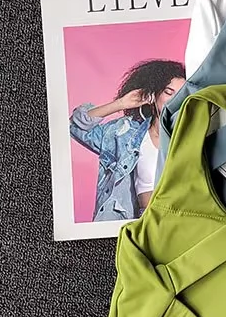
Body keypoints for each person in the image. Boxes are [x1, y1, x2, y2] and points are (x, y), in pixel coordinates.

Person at [69, 60, 186, 221]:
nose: (176, 100)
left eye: (182, 94)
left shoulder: (195, 136)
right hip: (140, 222)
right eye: (168, 92)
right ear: (154, 95)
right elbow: (77, 127)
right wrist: (121, 103)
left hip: (182, 221)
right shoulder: (126, 134)